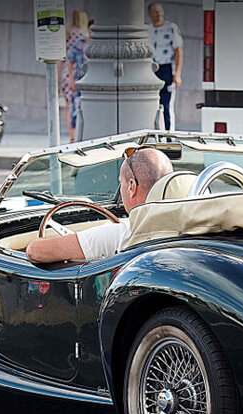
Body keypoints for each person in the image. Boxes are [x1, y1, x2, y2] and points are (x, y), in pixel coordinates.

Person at [27, 147, 173, 263]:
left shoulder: (120, 233)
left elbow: (35, 251)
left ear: (131, 187)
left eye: (121, 183)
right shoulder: (181, 225)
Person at [147, 4, 182, 131]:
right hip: (150, 69)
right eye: (155, 12)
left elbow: (178, 50)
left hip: (166, 67)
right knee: (152, 104)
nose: (158, 15)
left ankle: (168, 135)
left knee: (166, 104)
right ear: (149, 14)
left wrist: (177, 74)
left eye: (160, 12)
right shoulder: (147, 30)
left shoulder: (171, 28)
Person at [59, 10, 90, 142]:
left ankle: (72, 134)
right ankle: (77, 134)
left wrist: (59, 76)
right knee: (78, 103)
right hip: (79, 72)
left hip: (67, 73)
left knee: (70, 104)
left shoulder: (66, 34)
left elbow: (62, 59)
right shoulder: (84, 35)